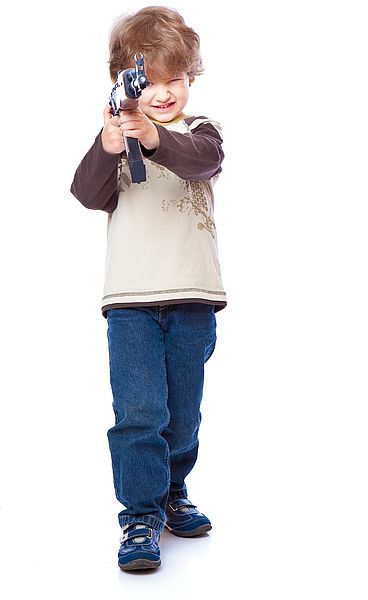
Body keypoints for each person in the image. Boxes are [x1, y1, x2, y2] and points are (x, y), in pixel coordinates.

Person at [70, 5, 227, 571]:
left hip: (192, 298)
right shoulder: (116, 137)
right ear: (123, 82)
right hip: (131, 303)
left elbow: (199, 162)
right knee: (139, 412)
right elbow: (88, 194)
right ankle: (140, 513)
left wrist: (153, 136)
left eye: (174, 79)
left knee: (182, 415)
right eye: (149, 81)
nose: (162, 92)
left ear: (192, 78)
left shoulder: (198, 134)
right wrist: (111, 142)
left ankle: (171, 492)